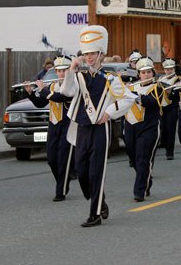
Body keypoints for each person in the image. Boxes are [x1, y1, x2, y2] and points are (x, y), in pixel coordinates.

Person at [59, 25, 136, 227]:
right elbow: (66, 92)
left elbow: (129, 98)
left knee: (96, 171)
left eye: (92, 53)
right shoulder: (79, 76)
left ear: (100, 54)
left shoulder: (111, 78)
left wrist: (109, 113)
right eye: (86, 54)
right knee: (81, 171)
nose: (89, 57)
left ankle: (95, 214)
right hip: (82, 128)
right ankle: (99, 200)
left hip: (100, 129)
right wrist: (70, 70)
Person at [24, 56, 74, 201]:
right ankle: (63, 180)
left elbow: (59, 98)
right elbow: (40, 103)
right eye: (58, 71)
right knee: (52, 159)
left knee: (63, 158)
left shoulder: (72, 86)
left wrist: (44, 89)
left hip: (68, 124)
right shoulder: (51, 86)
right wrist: (31, 93)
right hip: (53, 124)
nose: (61, 74)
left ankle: (61, 190)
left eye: (64, 70)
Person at [126, 58, 163, 202]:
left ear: (152, 72)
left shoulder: (157, 87)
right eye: (143, 72)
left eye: (148, 72)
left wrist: (135, 95)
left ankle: (139, 192)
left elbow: (151, 102)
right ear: (138, 74)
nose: (146, 75)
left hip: (149, 127)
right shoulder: (131, 87)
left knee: (143, 158)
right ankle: (147, 178)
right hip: (130, 126)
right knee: (133, 157)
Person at [158, 58, 181, 160]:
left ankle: (170, 151)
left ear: (174, 69)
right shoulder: (161, 78)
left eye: (171, 69)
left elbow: (175, 95)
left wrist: (168, 90)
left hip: (172, 106)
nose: (169, 71)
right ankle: (164, 144)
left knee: (170, 129)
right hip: (162, 107)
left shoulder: (177, 79)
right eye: (167, 69)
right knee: (163, 128)